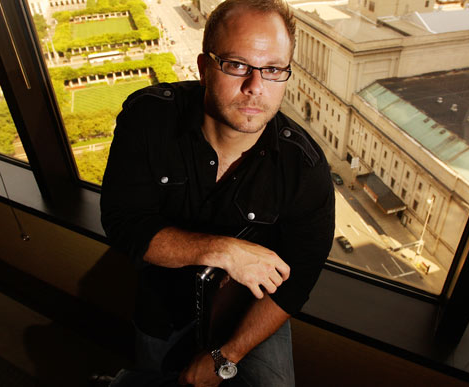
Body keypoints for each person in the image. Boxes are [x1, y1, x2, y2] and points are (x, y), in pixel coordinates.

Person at [100, 0, 335, 385]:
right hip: (162, 306)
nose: (255, 86)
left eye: (273, 69)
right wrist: (223, 250)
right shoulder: (148, 120)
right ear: (204, 67)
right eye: (237, 64)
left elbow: (295, 285)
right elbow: (125, 224)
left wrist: (227, 356)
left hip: (248, 315)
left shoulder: (305, 170)